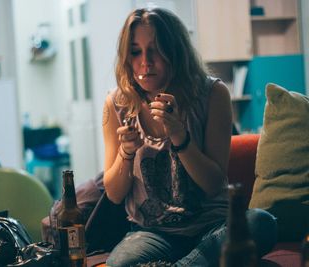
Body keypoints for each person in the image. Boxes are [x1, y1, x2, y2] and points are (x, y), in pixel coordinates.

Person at [101, 7, 277, 267]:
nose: (145, 62)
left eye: (156, 49)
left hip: (213, 227)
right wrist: (126, 153)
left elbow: (213, 183)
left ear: (176, 51)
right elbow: (115, 194)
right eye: (136, 51)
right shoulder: (117, 103)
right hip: (152, 234)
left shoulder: (212, 93)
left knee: (261, 223)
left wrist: (179, 135)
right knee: (119, 264)